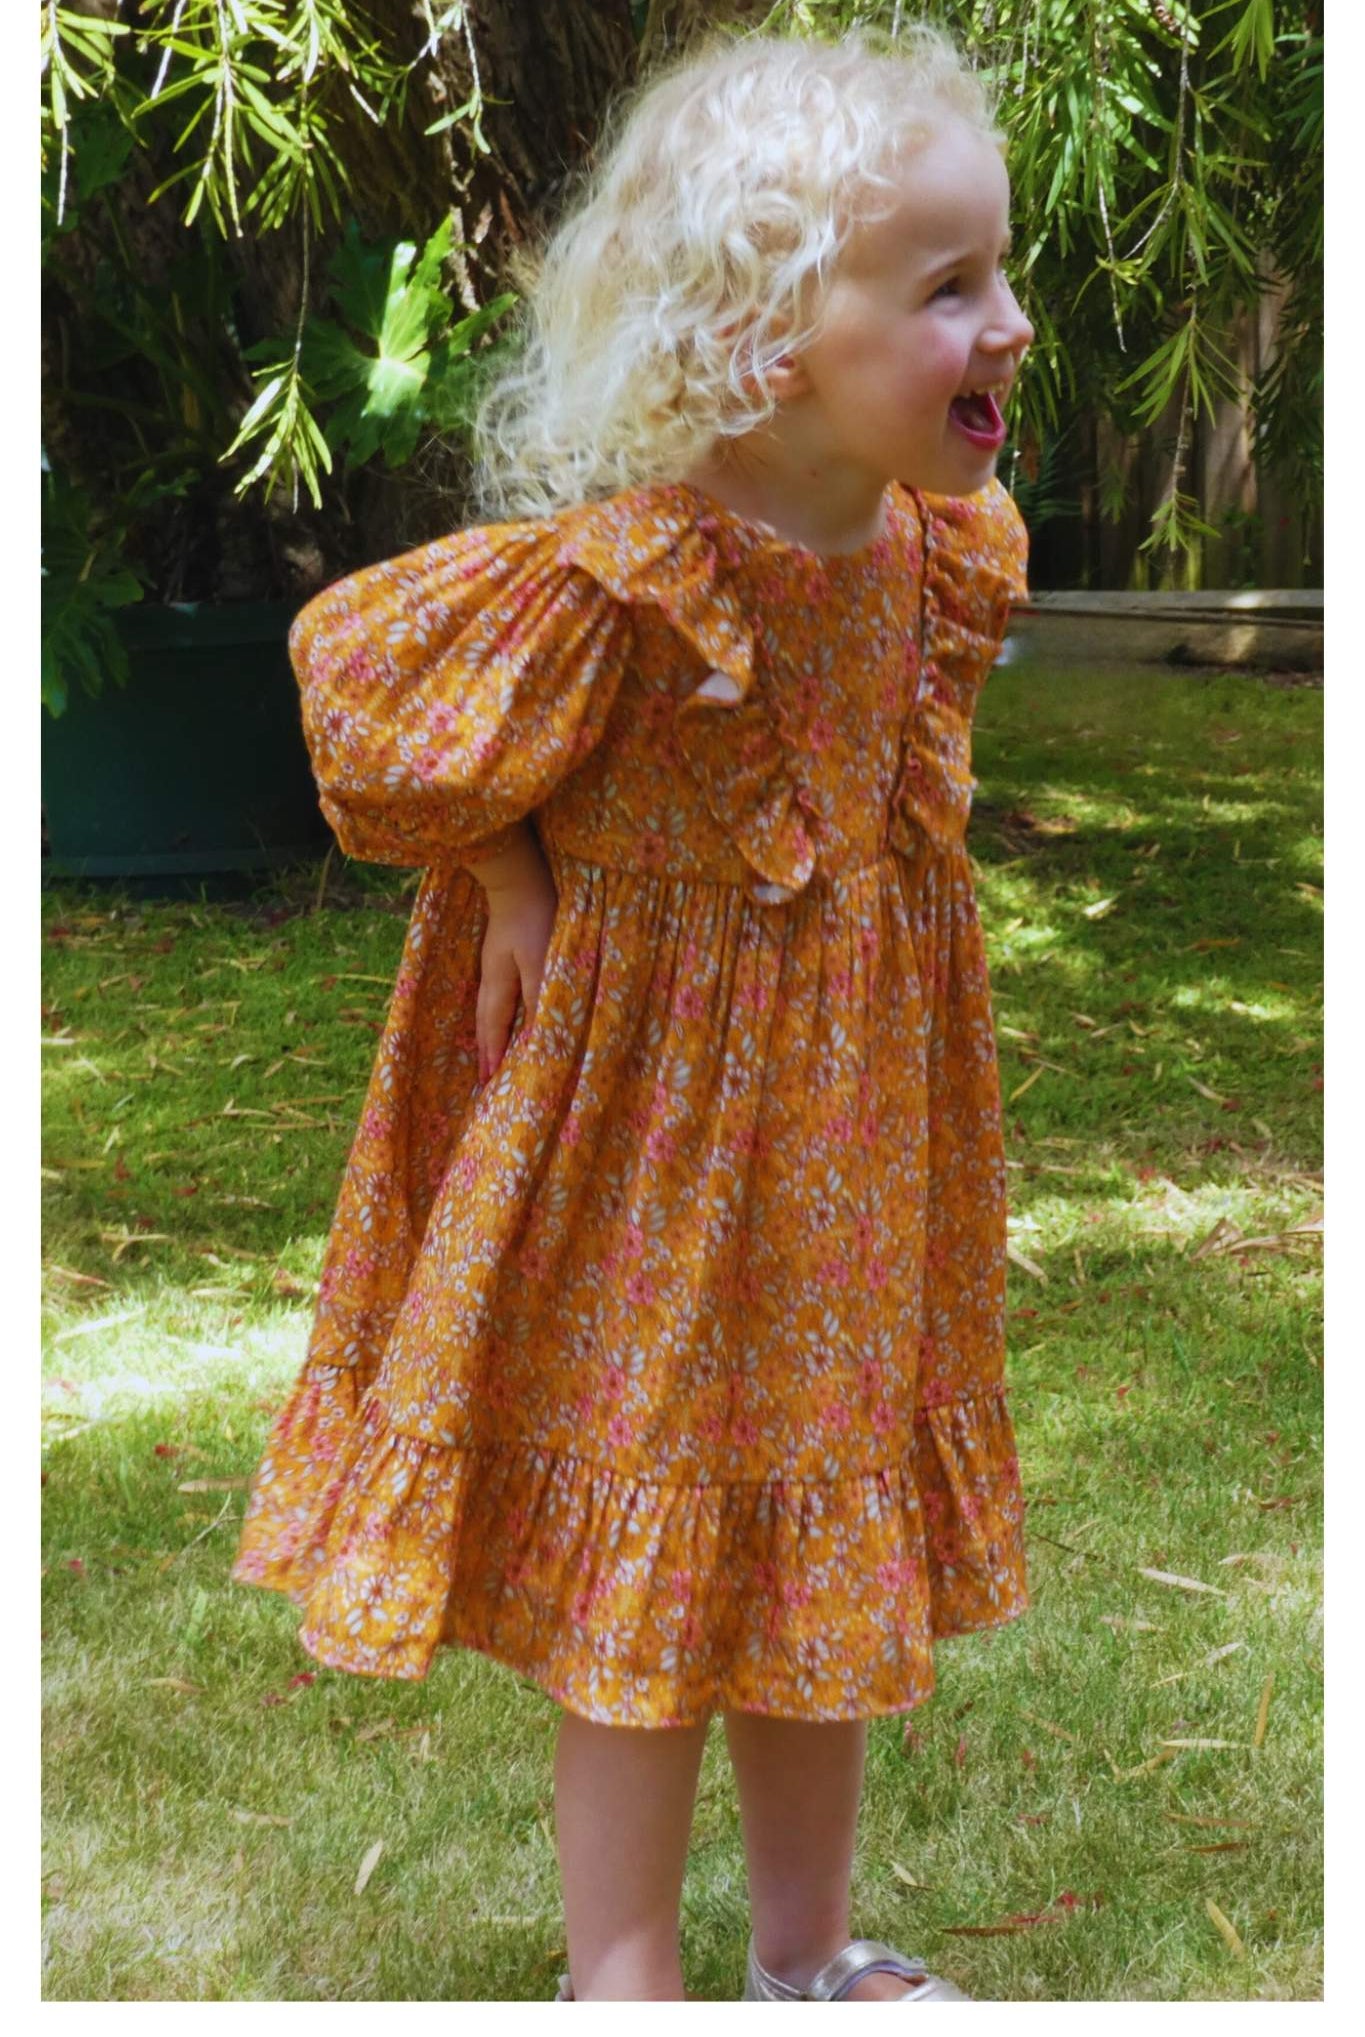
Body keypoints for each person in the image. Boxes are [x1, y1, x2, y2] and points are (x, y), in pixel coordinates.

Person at [233, 22, 1035, 2005]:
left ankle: (804, 1945)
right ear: (770, 338)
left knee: (816, 1522)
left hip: (848, 1152)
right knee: (653, 1556)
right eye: (947, 289)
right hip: (648, 1166)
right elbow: (360, 687)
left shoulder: (939, 554)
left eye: (999, 273)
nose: (1005, 326)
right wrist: (501, 864)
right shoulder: (628, 579)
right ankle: (620, 1969)